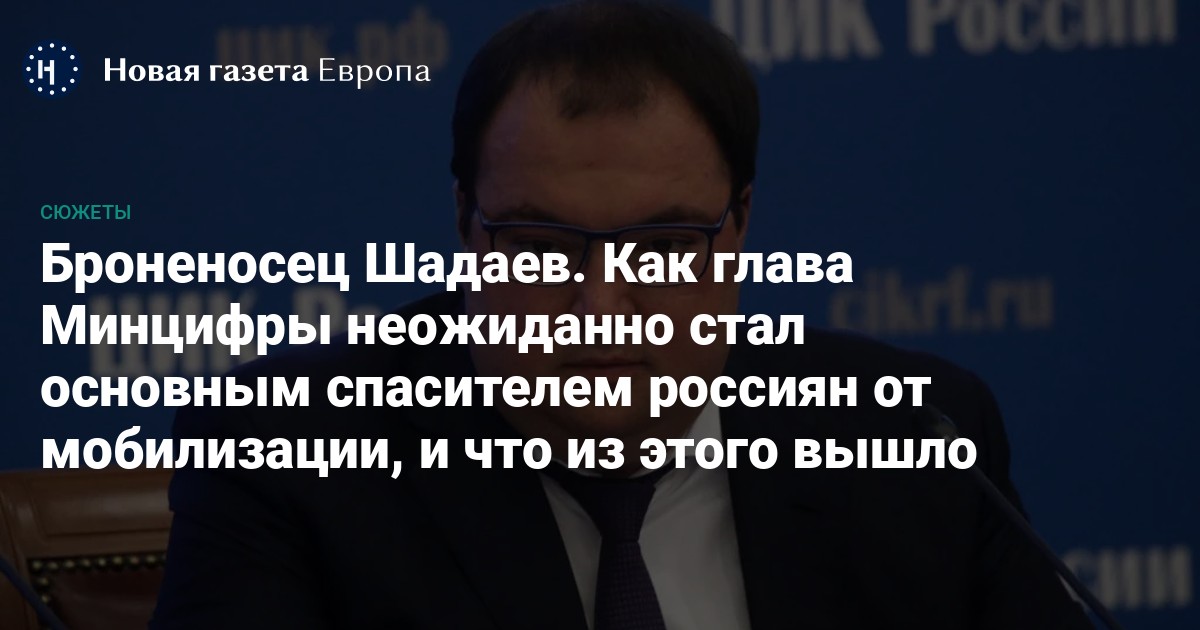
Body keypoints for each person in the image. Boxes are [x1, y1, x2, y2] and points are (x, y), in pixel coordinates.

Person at [151, 1, 1094, 628]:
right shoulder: (285, 452)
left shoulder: (914, 436)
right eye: (540, 243)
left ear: (740, 226)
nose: (600, 304)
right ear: (464, 223)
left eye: (663, 243)